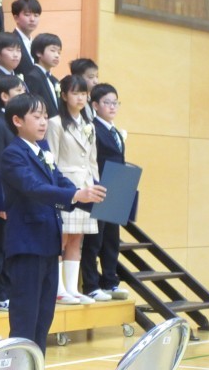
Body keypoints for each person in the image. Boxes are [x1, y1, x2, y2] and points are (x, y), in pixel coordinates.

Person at [2, 93, 105, 354]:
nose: (43, 122)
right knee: (25, 319)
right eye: (36, 117)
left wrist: (95, 199)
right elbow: (34, 188)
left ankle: (37, 363)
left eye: (46, 116)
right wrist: (76, 195)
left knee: (43, 319)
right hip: (27, 246)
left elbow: (62, 184)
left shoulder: (44, 151)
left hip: (49, 244)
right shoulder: (13, 154)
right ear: (17, 120)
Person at [46, 74, 100, 305]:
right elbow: (52, 159)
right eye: (75, 93)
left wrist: (96, 186)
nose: (80, 98)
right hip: (66, 187)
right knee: (62, 237)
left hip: (86, 187)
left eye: (83, 93)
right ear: (64, 95)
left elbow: (92, 160)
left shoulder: (89, 125)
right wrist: (56, 190)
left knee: (77, 239)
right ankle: (58, 289)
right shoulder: (55, 123)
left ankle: (72, 288)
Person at [81, 83, 130, 301]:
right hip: (99, 188)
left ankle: (110, 281)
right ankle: (91, 284)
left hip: (116, 188)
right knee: (95, 240)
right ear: (95, 105)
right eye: (107, 103)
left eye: (115, 103)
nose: (112, 107)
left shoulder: (115, 130)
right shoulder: (93, 128)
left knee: (112, 239)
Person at [0, 74, 26, 312]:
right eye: (18, 91)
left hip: (20, 195)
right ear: (4, 96)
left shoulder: (19, 124)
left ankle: (12, 290)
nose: (23, 95)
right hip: (4, 195)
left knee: (12, 246)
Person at [24, 33, 62, 118]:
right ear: (38, 52)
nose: (57, 55)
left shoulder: (54, 80)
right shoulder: (33, 77)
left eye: (59, 52)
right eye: (53, 50)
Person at [11, 0, 42, 77]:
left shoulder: (35, 43)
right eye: (27, 15)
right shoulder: (10, 42)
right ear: (16, 18)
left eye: (36, 15)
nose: (32, 19)